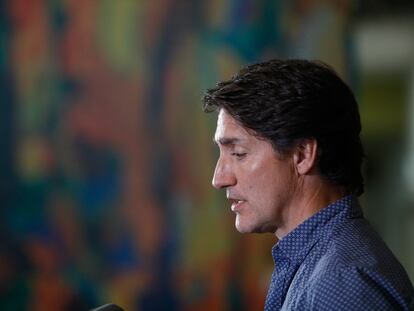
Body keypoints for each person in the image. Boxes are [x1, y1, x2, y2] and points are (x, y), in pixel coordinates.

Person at [203, 59, 414, 310]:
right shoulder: (322, 265)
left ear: (302, 154)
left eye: (238, 153)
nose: (219, 179)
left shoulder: (340, 283)